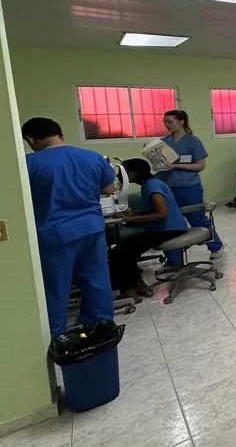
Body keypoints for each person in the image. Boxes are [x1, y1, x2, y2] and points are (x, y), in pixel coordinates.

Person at [21, 117, 116, 337]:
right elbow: (109, 188)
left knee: (55, 289)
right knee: (97, 281)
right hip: (92, 229)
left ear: (30, 139)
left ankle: (55, 337)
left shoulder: (28, 164)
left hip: (54, 233)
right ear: (60, 133)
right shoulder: (92, 157)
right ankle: (100, 330)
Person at [108, 158, 190, 300]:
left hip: (168, 229)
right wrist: (135, 213)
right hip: (163, 228)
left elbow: (161, 213)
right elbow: (152, 209)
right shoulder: (148, 185)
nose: (118, 176)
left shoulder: (152, 186)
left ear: (133, 173)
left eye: (122, 172)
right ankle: (139, 286)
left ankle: (129, 290)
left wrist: (130, 219)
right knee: (125, 250)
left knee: (119, 252)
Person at [156, 110, 223, 261]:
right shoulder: (163, 142)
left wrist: (177, 166)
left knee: (197, 218)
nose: (167, 125)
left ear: (181, 122)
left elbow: (200, 165)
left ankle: (216, 246)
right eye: (165, 122)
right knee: (170, 221)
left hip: (188, 186)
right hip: (167, 186)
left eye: (170, 122)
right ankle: (173, 257)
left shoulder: (193, 141)